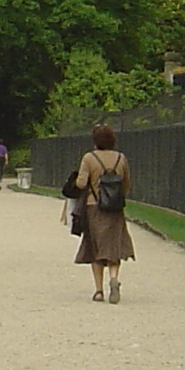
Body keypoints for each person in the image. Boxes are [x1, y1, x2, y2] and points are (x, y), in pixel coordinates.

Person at [72, 122, 135, 302]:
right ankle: (114, 279)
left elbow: (81, 183)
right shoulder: (120, 158)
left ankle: (99, 290)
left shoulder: (89, 158)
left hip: (94, 206)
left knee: (95, 246)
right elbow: (126, 183)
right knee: (113, 245)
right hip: (114, 208)